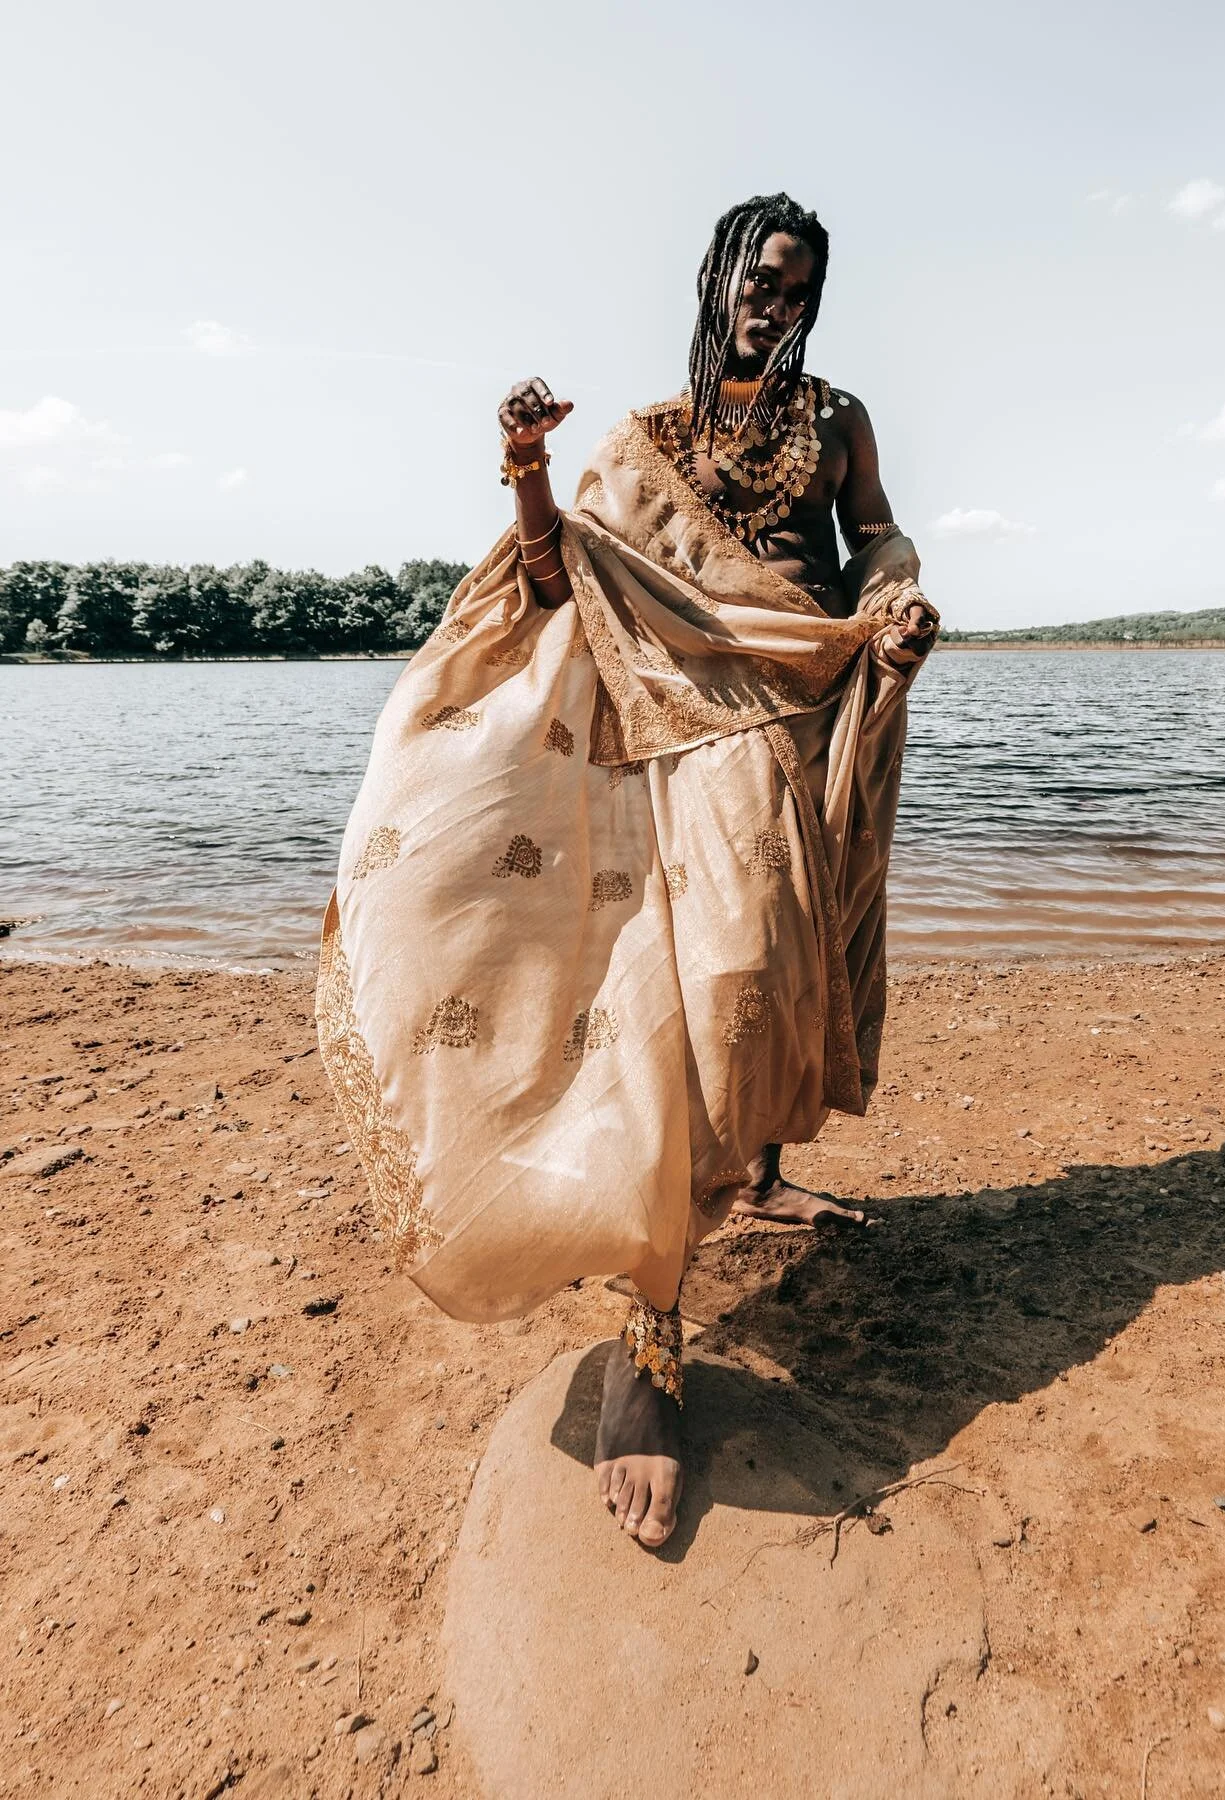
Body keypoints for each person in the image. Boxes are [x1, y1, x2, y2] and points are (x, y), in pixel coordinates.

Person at [317, 193, 938, 1551]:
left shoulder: (837, 423)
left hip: (804, 711)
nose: (780, 304)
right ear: (720, 279)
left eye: (802, 288)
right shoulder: (642, 443)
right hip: (683, 738)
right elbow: (557, 591)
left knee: (776, 973)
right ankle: (652, 1340)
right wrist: (526, 466)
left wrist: (892, 600)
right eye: (764, 280)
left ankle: (752, 1176)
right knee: (713, 976)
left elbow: (874, 537)